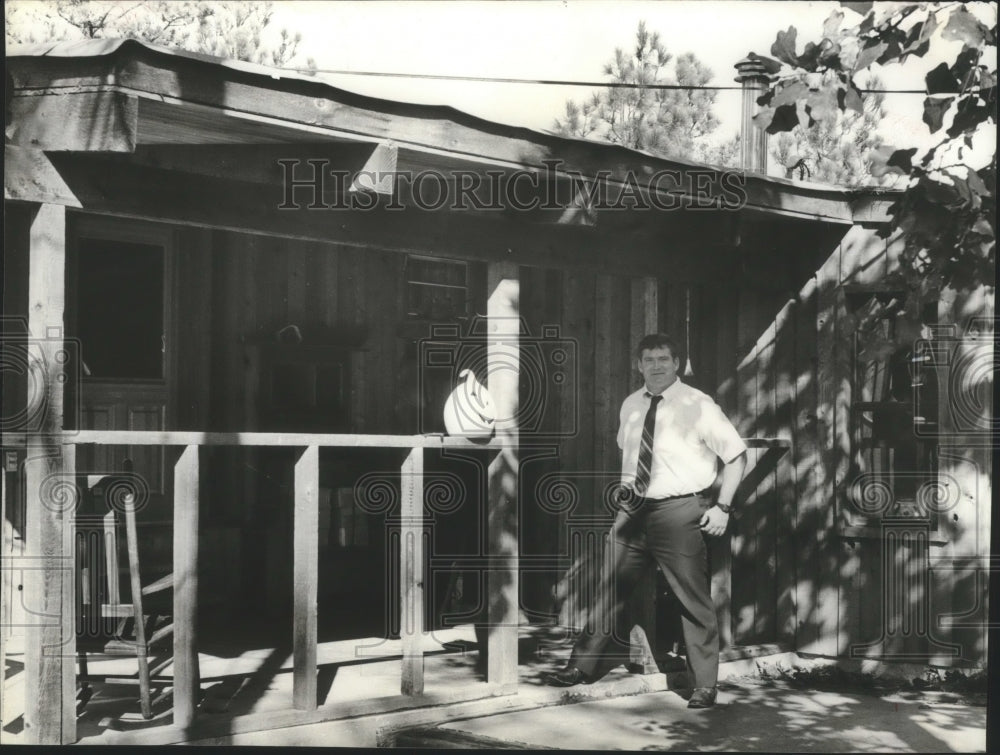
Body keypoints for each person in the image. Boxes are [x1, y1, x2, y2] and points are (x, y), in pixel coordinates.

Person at [545, 333, 747, 709]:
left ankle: (703, 684)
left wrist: (722, 507)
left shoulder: (698, 405)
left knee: (692, 598)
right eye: (649, 359)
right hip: (633, 509)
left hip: (679, 511)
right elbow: (632, 453)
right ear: (639, 365)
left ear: (676, 363)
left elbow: (736, 456)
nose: (656, 365)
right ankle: (580, 666)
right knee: (609, 587)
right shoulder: (630, 405)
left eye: (664, 359)